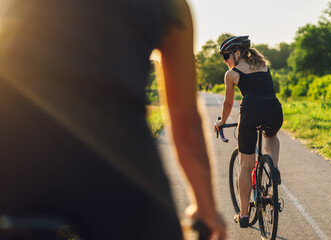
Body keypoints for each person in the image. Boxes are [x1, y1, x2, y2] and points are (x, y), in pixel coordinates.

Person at [0, 0, 225, 239]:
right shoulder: (173, 7)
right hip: (118, 164)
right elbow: (187, 126)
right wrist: (206, 210)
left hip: (12, 151)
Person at [214, 36, 283, 228]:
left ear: (237, 54)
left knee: (245, 166)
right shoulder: (264, 67)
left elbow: (228, 103)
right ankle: (274, 168)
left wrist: (222, 122)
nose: (225, 61)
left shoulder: (232, 74)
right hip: (274, 110)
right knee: (271, 135)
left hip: (251, 112)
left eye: (226, 56)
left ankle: (244, 215)